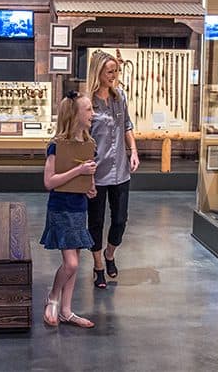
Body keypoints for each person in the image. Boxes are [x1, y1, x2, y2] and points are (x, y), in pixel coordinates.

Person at [40, 90, 97, 329]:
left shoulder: (88, 144)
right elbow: (49, 182)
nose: (93, 114)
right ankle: (53, 297)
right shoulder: (56, 146)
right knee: (71, 263)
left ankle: (66, 309)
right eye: (88, 109)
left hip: (78, 208)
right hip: (61, 208)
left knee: (76, 261)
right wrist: (79, 171)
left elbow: (87, 176)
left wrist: (90, 186)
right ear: (75, 115)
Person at [86, 51, 140, 289]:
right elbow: (81, 137)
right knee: (95, 222)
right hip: (96, 173)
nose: (114, 76)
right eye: (109, 71)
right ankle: (98, 266)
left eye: (116, 71)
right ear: (97, 72)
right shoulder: (87, 103)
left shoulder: (121, 98)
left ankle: (110, 254)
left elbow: (127, 125)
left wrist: (134, 151)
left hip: (121, 171)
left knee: (120, 219)